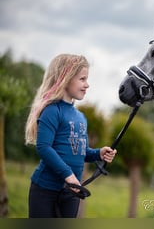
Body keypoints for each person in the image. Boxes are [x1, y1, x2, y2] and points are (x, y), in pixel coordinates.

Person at [25, 54, 116, 218]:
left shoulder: (80, 117)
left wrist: (98, 153)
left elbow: (81, 152)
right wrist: (69, 176)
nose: (87, 85)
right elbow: (44, 147)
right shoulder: (53, 111)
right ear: (65, 78)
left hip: (71, 192)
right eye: (82, 79)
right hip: (45, 191)